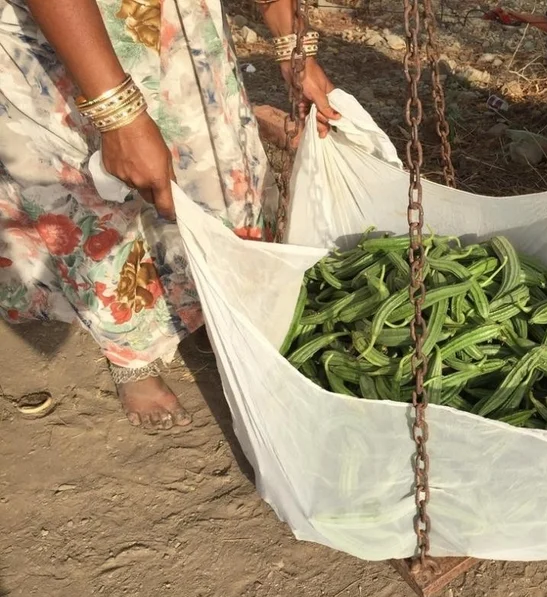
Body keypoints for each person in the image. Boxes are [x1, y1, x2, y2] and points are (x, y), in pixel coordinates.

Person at [0, 0, 338, 430]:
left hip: (178, 23)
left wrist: (295, 46)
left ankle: (213, 304)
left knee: (215, 171)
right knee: (92, 197)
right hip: (66, 27)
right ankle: (131, 348)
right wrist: (117, 113)